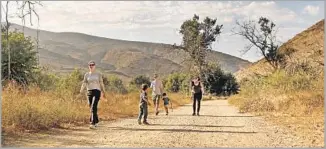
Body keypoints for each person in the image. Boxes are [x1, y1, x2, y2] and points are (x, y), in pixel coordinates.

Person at [79, 61, 106, 129]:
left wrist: (103, 91)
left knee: (93, 106)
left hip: (97, 91)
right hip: (89, 92)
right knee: (91, 107)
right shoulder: (87, 74)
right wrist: (81, 91)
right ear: (88, 66)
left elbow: (101, 83)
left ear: (95, 66)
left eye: (92, 65)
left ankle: (92, 123)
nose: (91, 66)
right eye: (90, 65)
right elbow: (84, 83)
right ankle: (96, 121)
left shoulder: (98, 74)